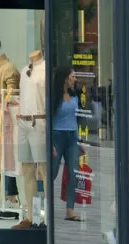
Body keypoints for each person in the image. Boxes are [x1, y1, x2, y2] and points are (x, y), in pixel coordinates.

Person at [50, 66, 82, 221]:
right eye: (72, 76)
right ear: (65, 78)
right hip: (56, 136)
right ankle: (44, 205)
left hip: (72, 138)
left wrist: (79, 140)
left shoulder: (75, 95)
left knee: (74, 173)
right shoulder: (53, 96)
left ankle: (70, 210)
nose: (75, 79)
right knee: (52, 172)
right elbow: (48, 120)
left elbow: (78, 118)